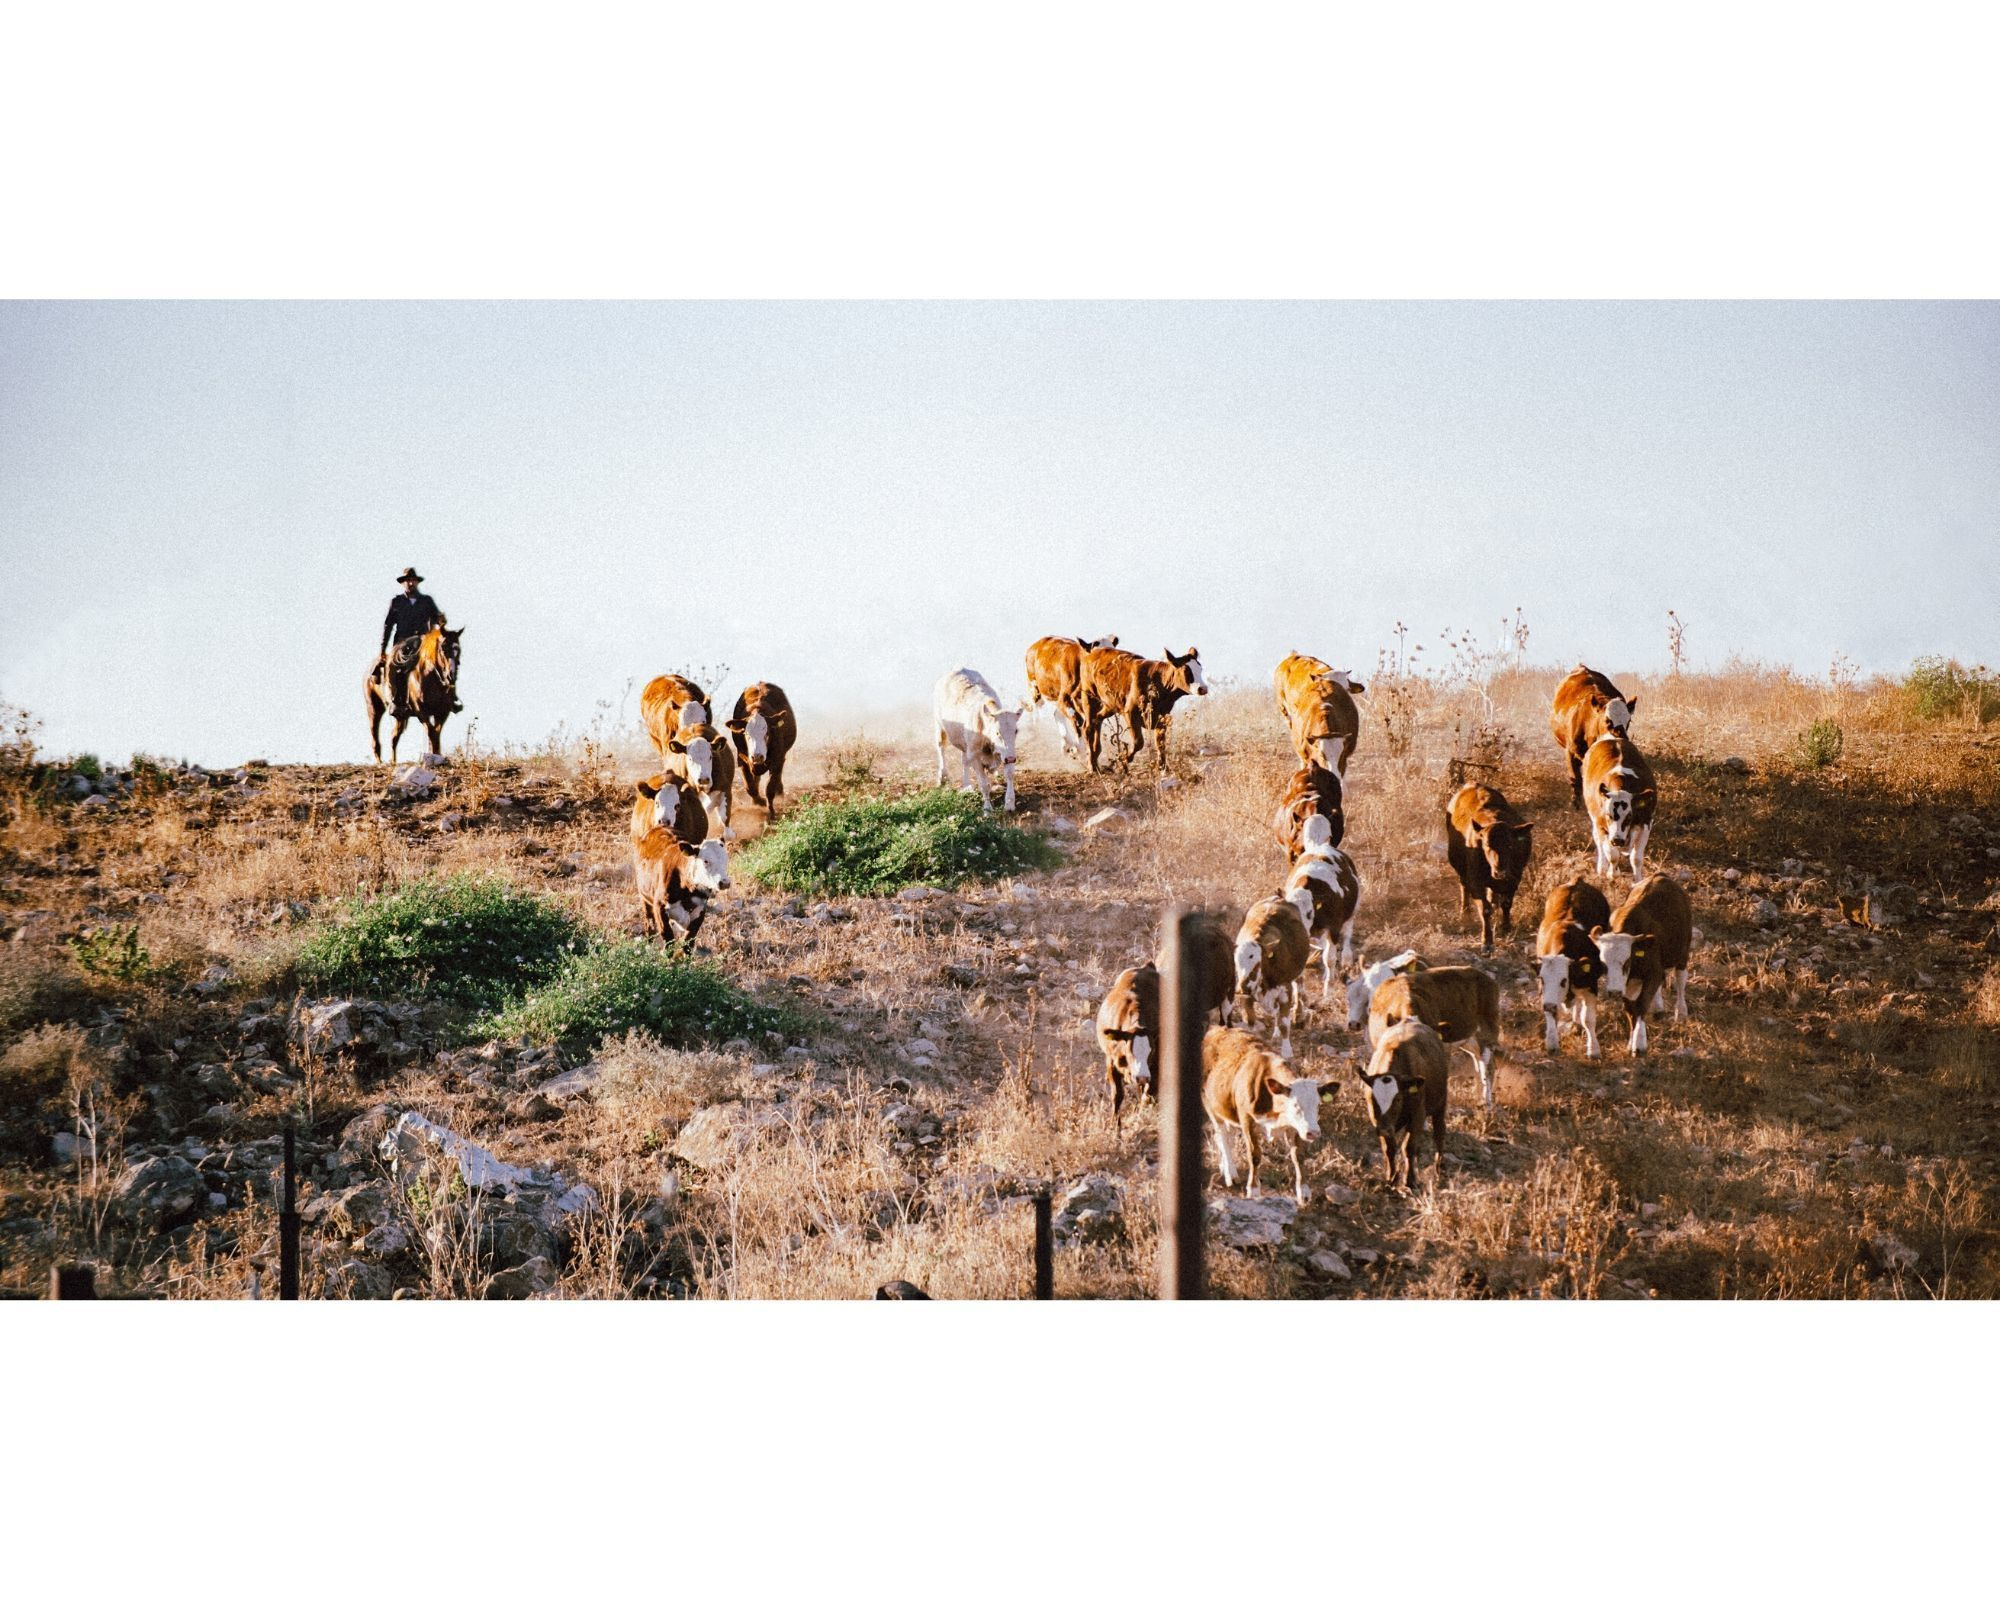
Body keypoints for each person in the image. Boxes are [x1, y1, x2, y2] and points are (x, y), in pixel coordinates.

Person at [377, 567, 457, 713]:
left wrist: (441, 621)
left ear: (417, 582)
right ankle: (397, 700)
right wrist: (383, 648)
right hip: (403, 642)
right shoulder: (397, 602)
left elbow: (437, 617)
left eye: (413, 580)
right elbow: (388, 625)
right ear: (403, 583)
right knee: (397, 666)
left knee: (445, 658)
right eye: (408, 581)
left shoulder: (426, 601)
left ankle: (451, 697)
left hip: (423, 641)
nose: (411, 583)